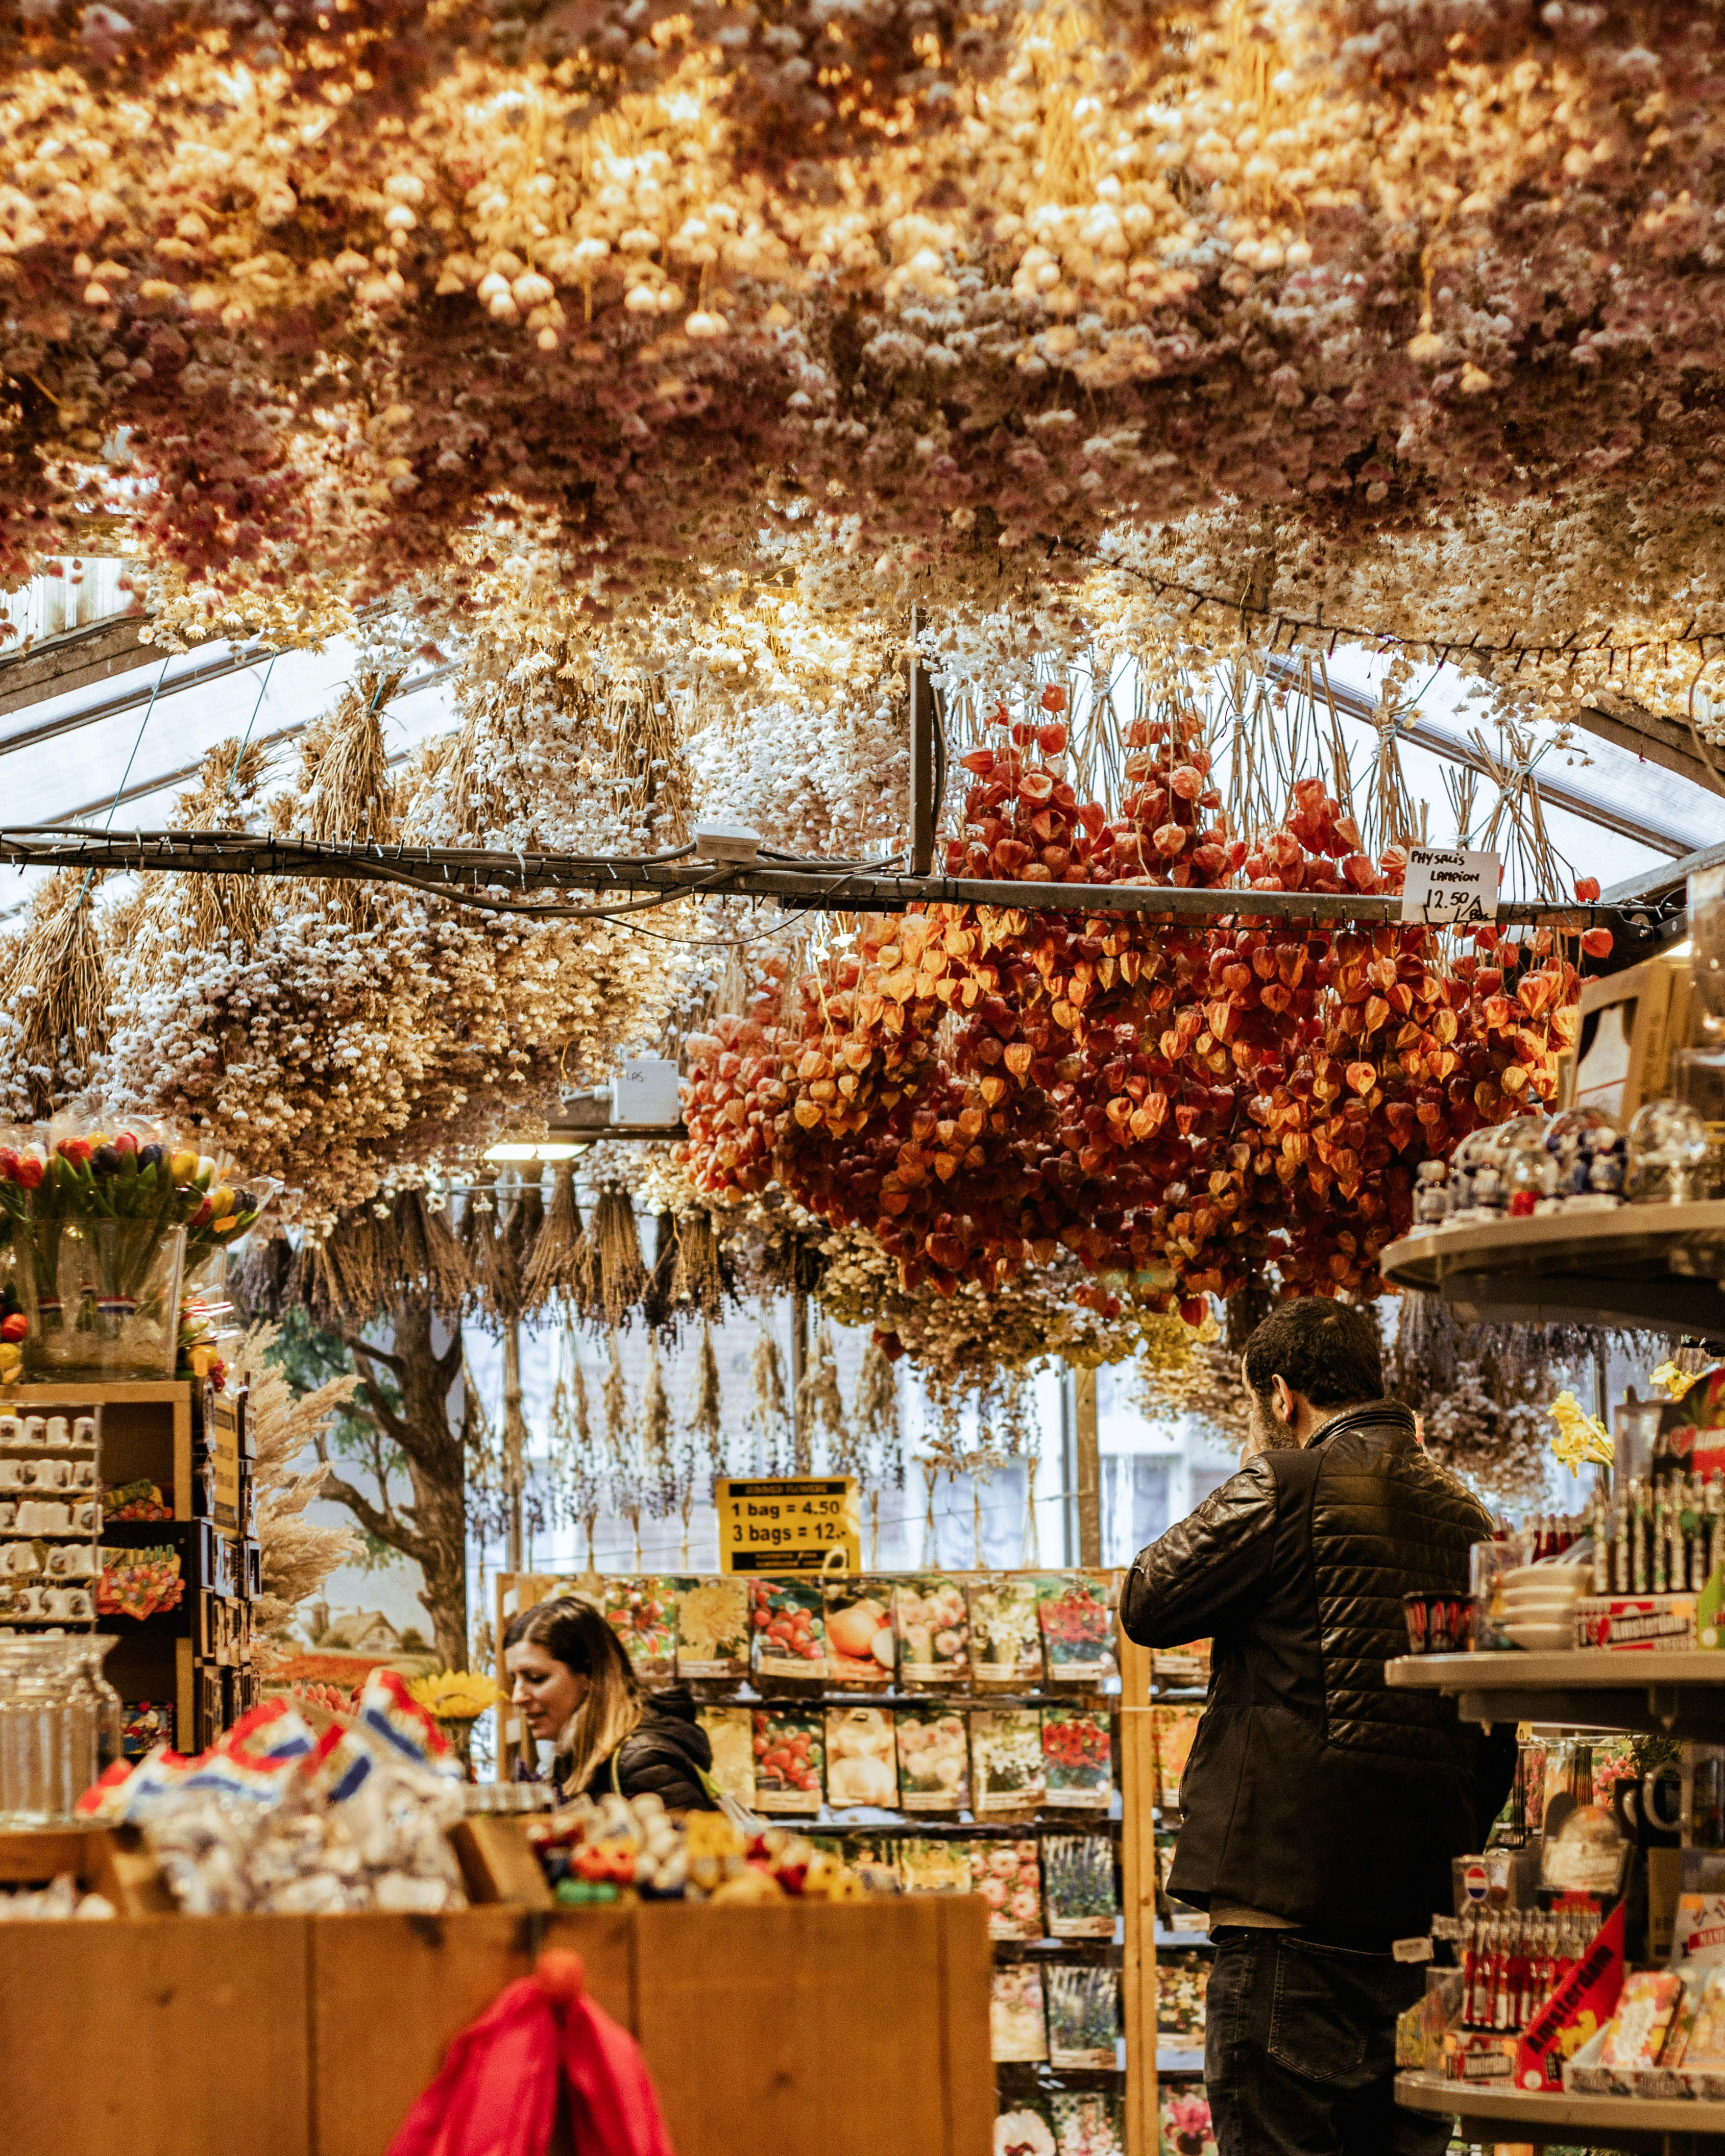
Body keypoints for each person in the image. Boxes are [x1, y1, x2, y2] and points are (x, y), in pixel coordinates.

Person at [1120, 1297, 1515, 2156]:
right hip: (1419, 1939)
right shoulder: (1466, 1516)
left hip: (1288, 1927)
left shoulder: (1284, 1482)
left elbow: (1146, 1598)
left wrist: (1258, 1469)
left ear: (1280, 1395)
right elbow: (1494, 1731)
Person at [502, 1596, 718, 1810]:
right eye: (514, 1680)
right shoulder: (572, 1758)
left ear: (589, 1675)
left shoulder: (642, 1762)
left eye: (536, 1678)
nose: (517, 1698)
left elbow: (692, 1843)